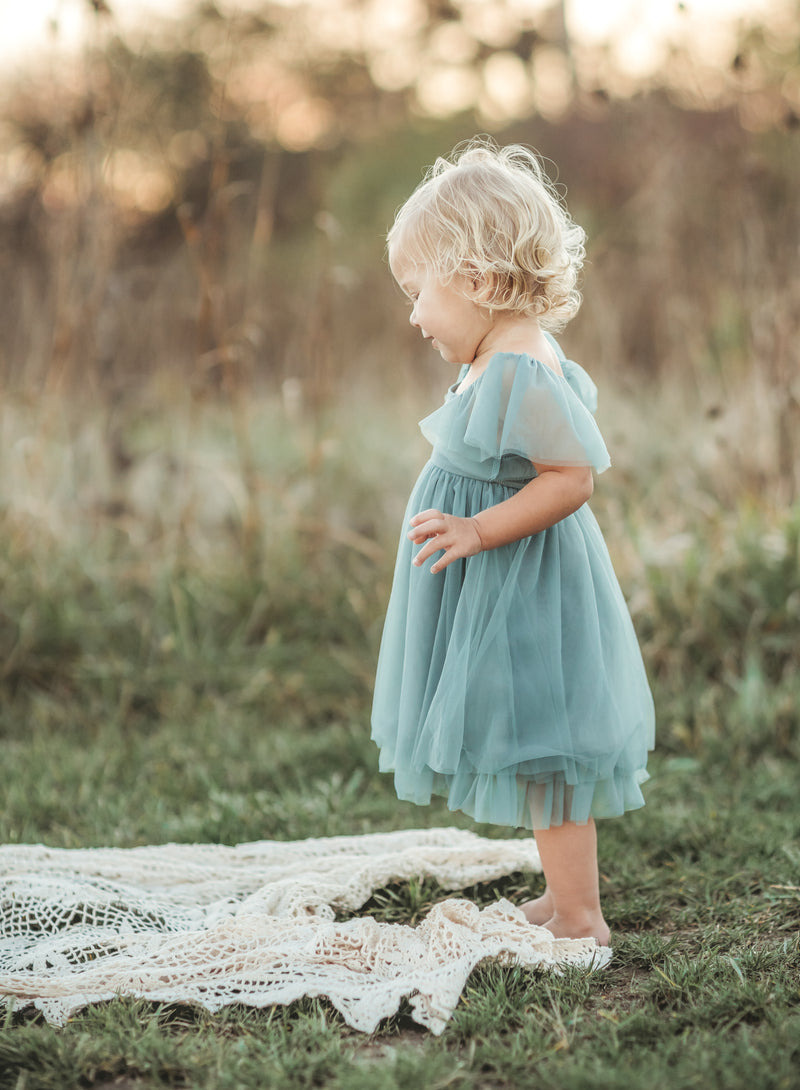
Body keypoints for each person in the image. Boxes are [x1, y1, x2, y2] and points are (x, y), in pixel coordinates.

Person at [370, 138, 654, 947]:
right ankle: (562, 902)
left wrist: (475, 529)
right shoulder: (501, 354)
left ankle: (579, 917)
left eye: (418, 290)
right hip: (504, 582)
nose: (414, 313)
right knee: (528, 742)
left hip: (523, 584)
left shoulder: (518, 370)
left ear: (479, 279)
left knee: (545, 747)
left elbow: (572, 477)